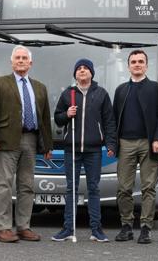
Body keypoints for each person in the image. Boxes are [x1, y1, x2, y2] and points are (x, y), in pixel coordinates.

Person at [0, 45, 53, 243]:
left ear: (30, 63)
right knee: (4, 185)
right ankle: (3, 228)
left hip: (31, 140)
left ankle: (24, 227)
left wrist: (47, 145)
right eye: (18, 58)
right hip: (6, 140)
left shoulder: (40, 87)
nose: (21, 60)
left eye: (24, 58)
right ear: (11, 62)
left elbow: (45, 119)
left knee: (27, 186)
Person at [51, 59, 117, 242]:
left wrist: (111, 145)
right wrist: (67, 114)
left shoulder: (101, 94)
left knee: (93, 189)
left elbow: (109, 122)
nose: (82, 71)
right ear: (75, 74)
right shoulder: (68, 94)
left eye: (85, 68)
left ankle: (96, 230)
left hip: (94, 150)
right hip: (71, 149)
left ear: (91, 73)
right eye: (78, 68)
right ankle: (67, 229)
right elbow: (58, 118)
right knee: (71, 188)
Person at [113, 50, 158, 244]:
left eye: (141, 62)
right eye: (133, 62)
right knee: (123, 188)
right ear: (128, 66)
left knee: (148, 188)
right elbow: (114, 119)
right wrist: (113, 144)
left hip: (149, 142)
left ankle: (146, 228)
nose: (137, 64)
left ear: (146, 65)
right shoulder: (121, 90)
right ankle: (126, 226)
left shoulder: (156, 89)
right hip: (125, 144)